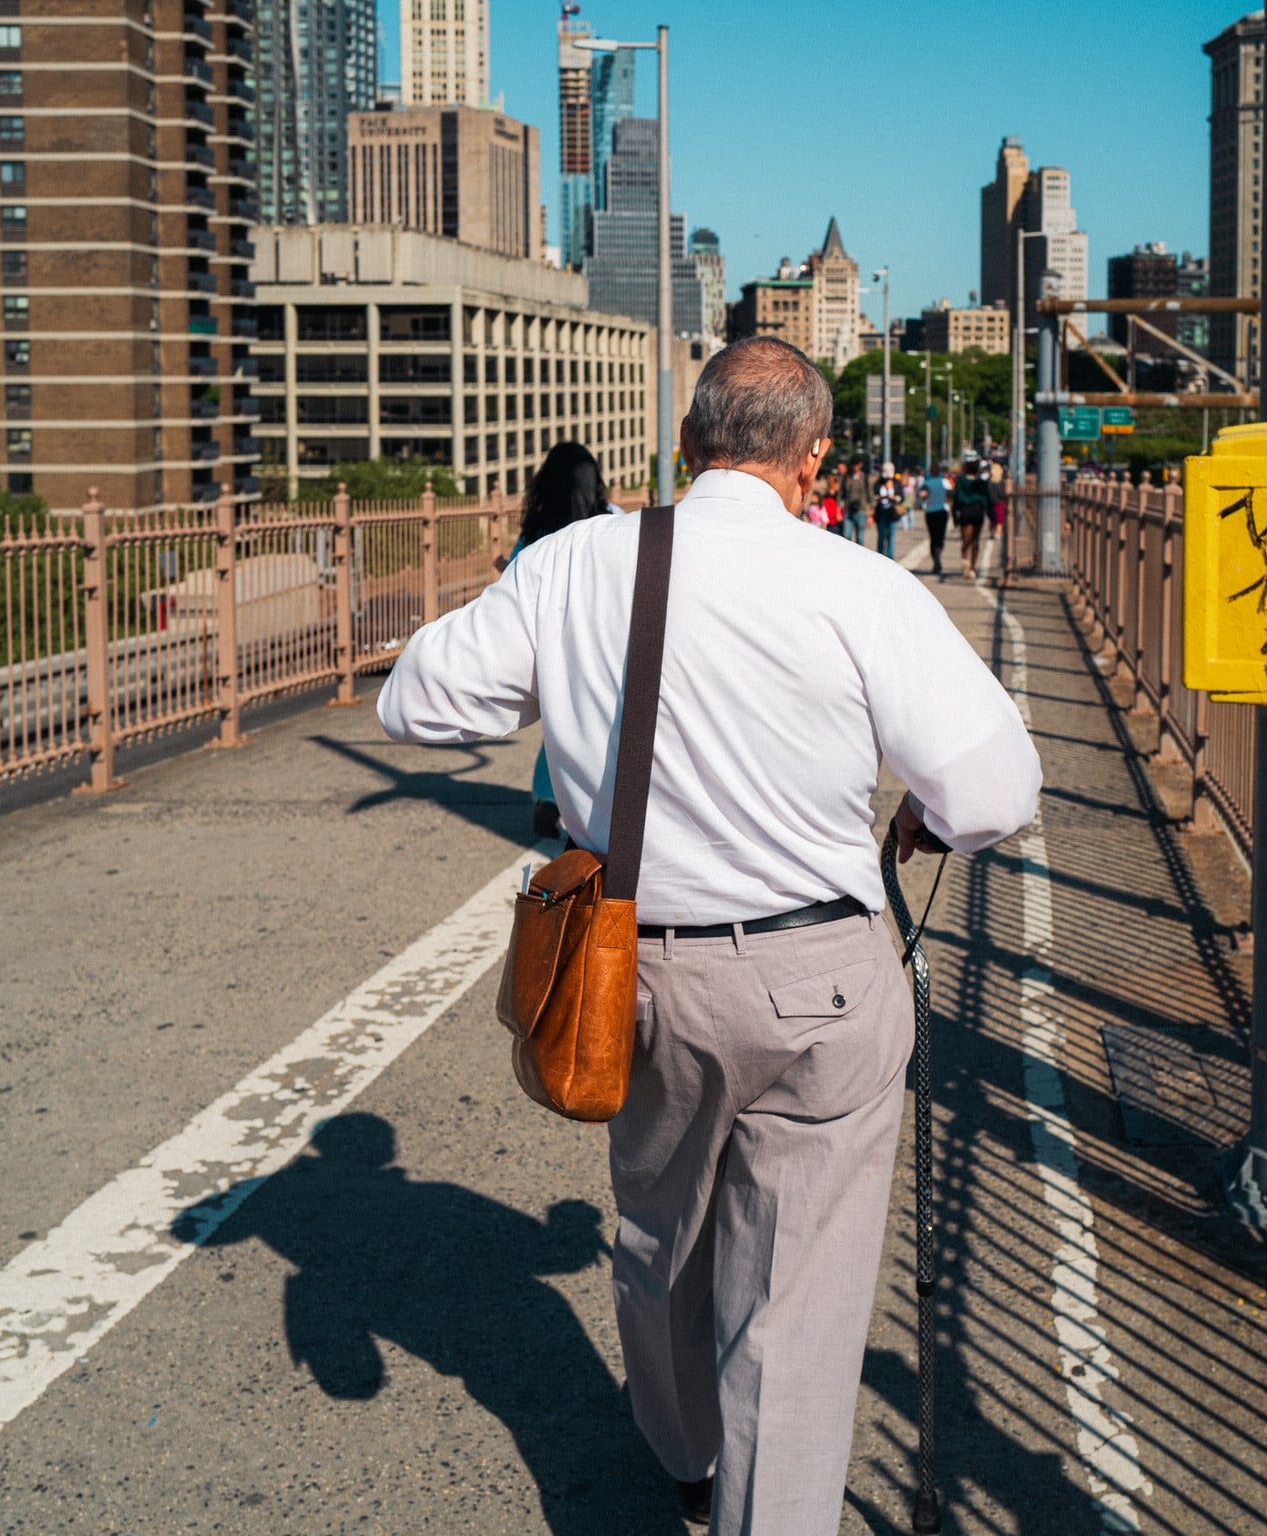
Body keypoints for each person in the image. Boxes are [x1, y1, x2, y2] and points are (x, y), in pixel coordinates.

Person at [377, 335, 1040, 1536]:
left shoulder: (577, 562)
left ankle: (682, 1450)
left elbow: (417, 699)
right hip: (823, 976)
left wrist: (563, 670)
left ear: (686, 448)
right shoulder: (859, 585)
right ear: (813, 461)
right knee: (794, 1298)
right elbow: (991, 793)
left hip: (640, 974)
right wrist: (918, 823)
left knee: (657, 1230)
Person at [499, 440, 612, 837]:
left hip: (553, 644)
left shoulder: (536, 531)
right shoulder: (612, 520)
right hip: (604, 641)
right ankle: (589, 806)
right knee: (601, 725)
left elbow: (512, 585)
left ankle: (550, 798)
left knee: (559, 724)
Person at [951, 449, 990, 579]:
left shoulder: (961, 481)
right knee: (975, 540)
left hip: (965, 512)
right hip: (978, 512)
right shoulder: (982, 482)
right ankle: (972, 567)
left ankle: (965, 562)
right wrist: (990, 515)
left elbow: (956, 498)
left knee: (965, 539)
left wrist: (954, 515)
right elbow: (986, 499)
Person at [920, 462, 950, 577]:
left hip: (930, 512)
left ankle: (935, 558)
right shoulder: (944, 481)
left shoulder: (927, 483)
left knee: (932, 536)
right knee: (940, 536)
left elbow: (922, 495)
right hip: (942, 512)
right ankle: (938, 552)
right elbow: (950, 495)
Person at [872, 461, 902, 559]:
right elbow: (873, 496)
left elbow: (901, 497)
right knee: (881, 537)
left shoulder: (897, 483)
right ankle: (880, 556)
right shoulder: (878, 483)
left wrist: (892, 494)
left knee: (891, 537)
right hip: (881, 512)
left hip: (892, 512)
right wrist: (880, 497)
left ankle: (890, 557)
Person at [838, 459, 869, 544]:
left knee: (860, 538)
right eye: (853, 464)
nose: (855, 466)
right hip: (848, 510)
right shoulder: (846, 477)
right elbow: (840, 494)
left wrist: (870, 514)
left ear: (860, 465)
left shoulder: (864, 477)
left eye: (857, 464)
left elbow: (870, 495)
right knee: (846, 536)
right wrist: (838, 510)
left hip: (861, 511)